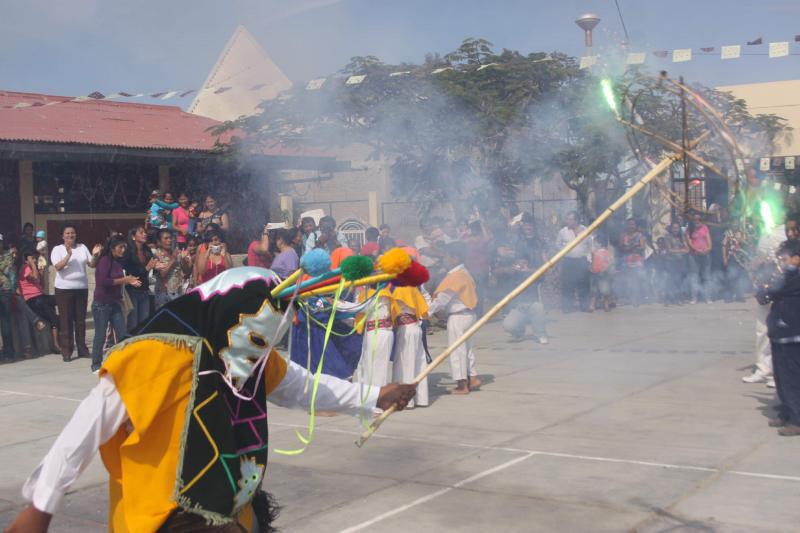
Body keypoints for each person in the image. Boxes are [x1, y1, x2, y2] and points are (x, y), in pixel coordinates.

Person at [6, 268, 417, 532]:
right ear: (226, 318)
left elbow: (300, 385)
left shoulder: (251, 357)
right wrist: (42, 506)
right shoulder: (156, 355)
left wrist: (374, 396)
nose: (259, 353)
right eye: (256, 339)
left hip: (230, 506)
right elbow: (85, 427)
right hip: (165, 515)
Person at [743, 213, 799, 385]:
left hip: (789, 296)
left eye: (793, 230)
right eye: (788, 230)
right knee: (763, 330)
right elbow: (763, 260)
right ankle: (764, 368)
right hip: (771, 287)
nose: (791, 233)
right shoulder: (768, 234)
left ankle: (781, 373)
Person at [757, 240, 800, 436]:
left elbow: (774, 290)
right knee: (781, 377)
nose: (782, 262)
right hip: (780, 332)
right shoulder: (786, 275)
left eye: (785, 258)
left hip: (792, 333)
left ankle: (797, 419)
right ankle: (787, 410)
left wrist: (766, 289)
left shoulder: (795, 276)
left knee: (792, 377)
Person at [428, 242, 480, 394]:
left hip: (458, 317)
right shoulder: (465, 272)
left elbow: (441, 300)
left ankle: (462, 384)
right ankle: (473, 377)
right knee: (468, 349)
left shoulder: (456, 277)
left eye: (446, 256)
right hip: (469, 315)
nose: (444, 259)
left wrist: (424, 314)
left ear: (455, 258)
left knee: (457, 351)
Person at [51, 224, 101, 362]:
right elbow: (58, 267)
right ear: (62, 236)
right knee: (66, 320)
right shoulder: (57, 249)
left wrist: (96, 255)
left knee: (80, 320)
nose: (70, 235)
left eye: (72, 233)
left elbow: (92, 264)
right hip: (63, 289)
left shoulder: (82, 247)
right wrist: (68, 254)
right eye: (67, 233)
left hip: (81, 288)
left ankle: (82, 348)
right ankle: (66, 351)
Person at [91, 235, 141, 373]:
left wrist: (130, 281)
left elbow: (121, 280)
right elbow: (103, 282)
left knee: (122, 333)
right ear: (112, 248)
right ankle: (96, 364)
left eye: (124, 247)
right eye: (120, 247)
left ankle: (123, 362)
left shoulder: (118, 262)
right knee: (100, 335)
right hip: (101, 304)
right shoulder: (104, 261)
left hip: (115, 303)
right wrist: (124, 280)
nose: (123, 249)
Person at [390, 285, 430, 408]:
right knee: (419, 364)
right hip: (416, 327)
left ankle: (406, 400)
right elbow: (426, 305)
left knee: (405, 364)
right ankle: (422, 399)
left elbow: (391, 309)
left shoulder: (400, 289)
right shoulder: (414, 288)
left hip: (406, 329)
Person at [18, 249, 60, 352]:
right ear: (26, 260)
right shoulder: (25, 268)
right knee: (53, 317)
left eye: (34, 258)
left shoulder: (33, 268)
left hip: (40, 296)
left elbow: (42, 285)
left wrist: (41, 271)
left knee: (59, 300)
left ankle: (56, 343)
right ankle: (55, 345)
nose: (35, 260)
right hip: (33, 299)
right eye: (32, 258)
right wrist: (32, 264)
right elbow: (34, 277)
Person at [121, 226, 156, 331]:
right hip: (132, 291)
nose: (144, 234)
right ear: (133, 237)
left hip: (144, 290)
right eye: (141, 233)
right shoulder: (128, 252)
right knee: (133, 323)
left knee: (144, 323)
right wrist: (146, 268)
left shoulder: (147, 250)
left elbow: (152, 267)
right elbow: (130, 272)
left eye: (144, 232)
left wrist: (156, 267)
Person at [555, 211, 591, 313]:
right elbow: (557, 245)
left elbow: (590, 246)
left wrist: (589, 261)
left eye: (570, 219)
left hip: (582, 261)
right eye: (567, 219)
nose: (568, 221)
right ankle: (567, 308)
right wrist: (564, 249)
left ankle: (584, 307)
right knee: (567, 285)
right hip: (568, 262)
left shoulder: (586, 230)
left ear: (576, 220)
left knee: (583, 285)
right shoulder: (563, 232)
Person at [153, 229, 190, 307]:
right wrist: (173, 258)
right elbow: (162, 274)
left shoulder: (176, 252)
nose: (169, 240)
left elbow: (186, 271)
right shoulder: (156, 255)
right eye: (166, 238)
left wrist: (182, 259)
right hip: (164, 293)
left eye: (170, 238)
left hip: (177, 291)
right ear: (159, 242)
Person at [462, 220, 491, 315]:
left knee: (478, 293)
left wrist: (482, 225)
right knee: (474, 293)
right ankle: (475, 313)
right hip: (471, 270)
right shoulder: (469, 239)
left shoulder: (479, 239)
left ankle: (478, 314)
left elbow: (487, 238)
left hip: (480, 270)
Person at [619, 218, 648, 306]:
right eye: (629, 224)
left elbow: (643, 247)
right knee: (628, 280)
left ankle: (637, 298)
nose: (631, 226)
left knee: (637, 279)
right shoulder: (623, 235)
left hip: (637, 260)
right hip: (626, 260)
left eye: (633, 224)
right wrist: (629, 248)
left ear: (635, 226)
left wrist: (634, 247)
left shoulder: (640, 235)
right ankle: (629, 298)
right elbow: (620, 247)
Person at [685, 211, 713, 304]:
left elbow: (709, 242)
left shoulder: (705, 228)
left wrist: (707, 249)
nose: (697, 221)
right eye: (695, 219)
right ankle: (694, 298)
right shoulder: (689, 230)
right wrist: (697, 250)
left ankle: (707, 297)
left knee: (707, 277)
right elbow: (689, 242)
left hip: (705, 255)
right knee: (694, 277)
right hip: (694, 256)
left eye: (699, 219)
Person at [0, 235, 19, 360]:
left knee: (5, 323)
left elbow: (10, 273)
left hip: (4, 291)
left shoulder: (8, 256)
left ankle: (9, 352)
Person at [664, 222, 689, 304]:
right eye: (674, 228)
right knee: (671, 280)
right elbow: (669, 250)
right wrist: (681, 250)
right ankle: (670, 299)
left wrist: (679, 251)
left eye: (677, 228)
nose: (675, 230)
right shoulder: (667, 237)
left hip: (680, 261)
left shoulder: (681, 237)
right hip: (670, 262)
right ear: (671, 229)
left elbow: (687, 249)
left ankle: (678, 298)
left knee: (679, 281)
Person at [589, 234, 614, 312]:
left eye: (595, 242)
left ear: (600, 243)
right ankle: (592, 305)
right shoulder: (593, 252)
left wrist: (605, 269)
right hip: (594, 273)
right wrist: (590, 268)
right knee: (594, 291)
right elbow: (590, 261)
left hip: (604, 274)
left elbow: (609, 261)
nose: (594, 244)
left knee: (605, 290)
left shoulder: (605, 252)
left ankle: (606, 304)